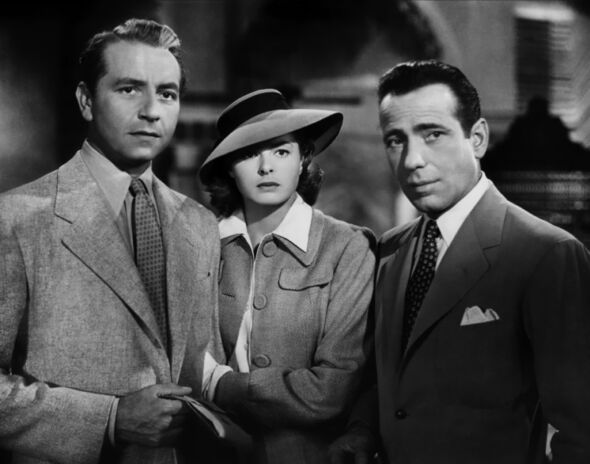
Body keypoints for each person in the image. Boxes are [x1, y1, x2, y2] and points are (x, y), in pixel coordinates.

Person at [330, 60, 590, 464]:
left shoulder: (546, 253)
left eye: (433, 134)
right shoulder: (389, 250)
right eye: (396, 140)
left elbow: (581, 429)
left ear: (478, 138)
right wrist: (361, 431)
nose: (412, 160)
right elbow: (389, 378)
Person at [0, 18, 221, 464]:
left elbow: (202, 367)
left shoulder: (199, 224)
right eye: (129, 89)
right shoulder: (17, 218)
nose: (152, 110)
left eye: (167, 93)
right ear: (86, 100)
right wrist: (109, 419)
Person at [198, 89, 376, 464]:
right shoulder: (201, 244)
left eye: (281, 152)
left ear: (303, 158)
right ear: (228, 166)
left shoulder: (348, 247)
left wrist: (220, 383)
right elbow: (185, 367)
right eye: (248, 154)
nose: (266, 167)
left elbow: (332, 390)